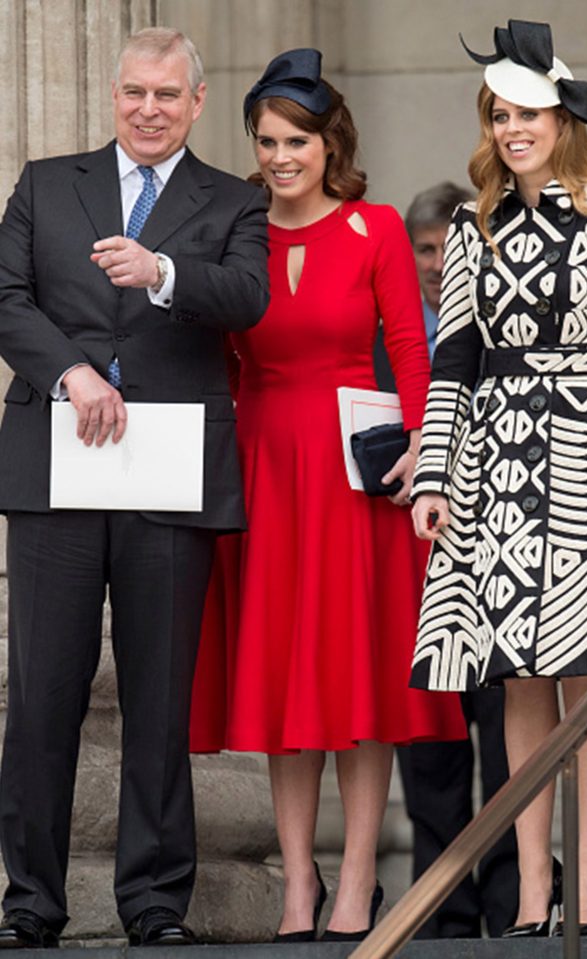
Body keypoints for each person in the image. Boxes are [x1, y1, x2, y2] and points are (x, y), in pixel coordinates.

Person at [189, 48, 466, 943]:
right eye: (266, 140)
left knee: (358, 676)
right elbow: (218, 355)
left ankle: (355, 883)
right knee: (283, 681)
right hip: (264, 463)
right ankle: (297, 881)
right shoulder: (237, 231)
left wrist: (427, 445)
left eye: (296, 140)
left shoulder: (376, 227)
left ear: (328, 142)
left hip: (355, 474)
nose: (279, 156)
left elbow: (411, 347)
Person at [409, 18, 587, 938]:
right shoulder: (471, 226)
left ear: (563, 119)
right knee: (515, 673)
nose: (511, 130)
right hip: (492, 459)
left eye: (527, 114)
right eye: (498, 116)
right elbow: (451, 364)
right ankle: (534, 892)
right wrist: (433, 474)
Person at [0, 27, 269, 948]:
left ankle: (155, 903)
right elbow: (6, 298)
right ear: (112, 97)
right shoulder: (46, 181)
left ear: (196, 103)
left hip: (168, 467)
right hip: (58, 453)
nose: (147, 109)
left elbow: (246, 298)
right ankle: (30, 900)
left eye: (166, 95)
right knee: (43, 691)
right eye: (133, 94)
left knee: (161, 693)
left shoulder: (232, 199)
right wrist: (72, 373)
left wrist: (162, 274)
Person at [379, 181, 518, 939]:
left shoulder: (506, 320)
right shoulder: (382, 336)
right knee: (427, 745)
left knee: (504, 741)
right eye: (424, 250)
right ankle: (440, 913)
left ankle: (512, 899)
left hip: (497, 555)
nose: (435, 264)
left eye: (446, 248)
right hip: (410, 556)